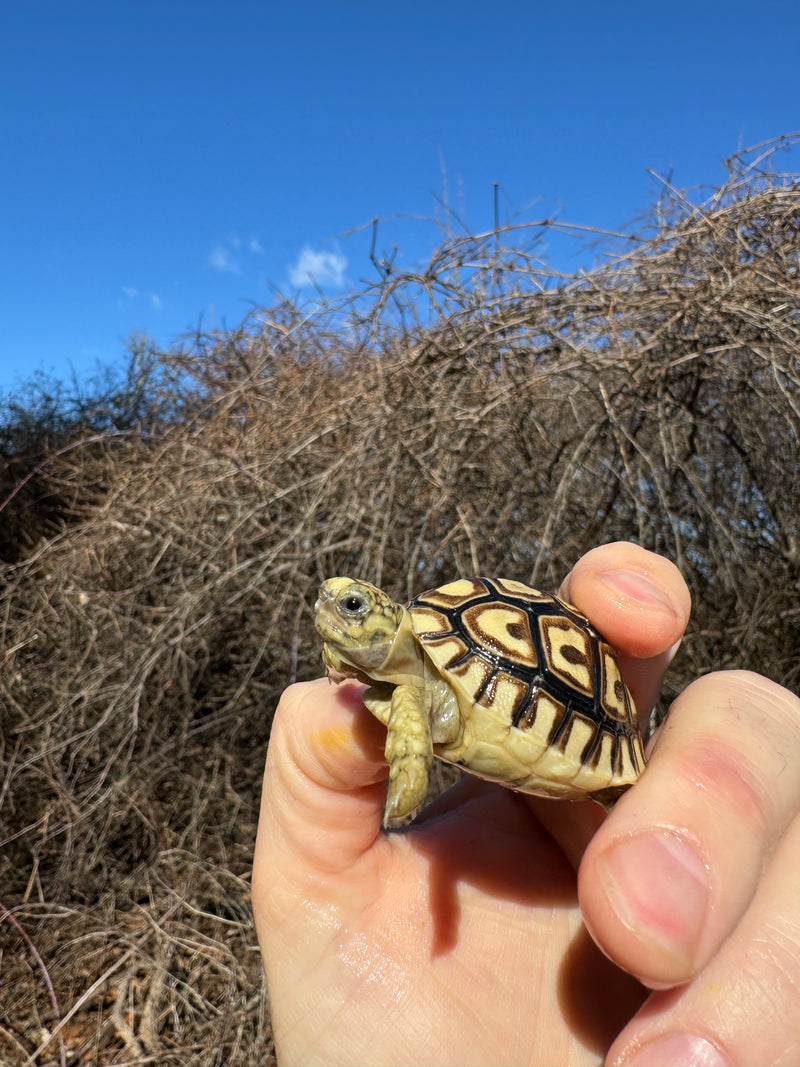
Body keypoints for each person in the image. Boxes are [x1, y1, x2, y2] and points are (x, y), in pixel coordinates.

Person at [253, 542, 800, 1066]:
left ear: (392, 618)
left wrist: (409, 773)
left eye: (352, 606)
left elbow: (411, 736)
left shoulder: (418, 688)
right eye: (332, 605)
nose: (332, 612)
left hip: (582, 732)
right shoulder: (399, 693)